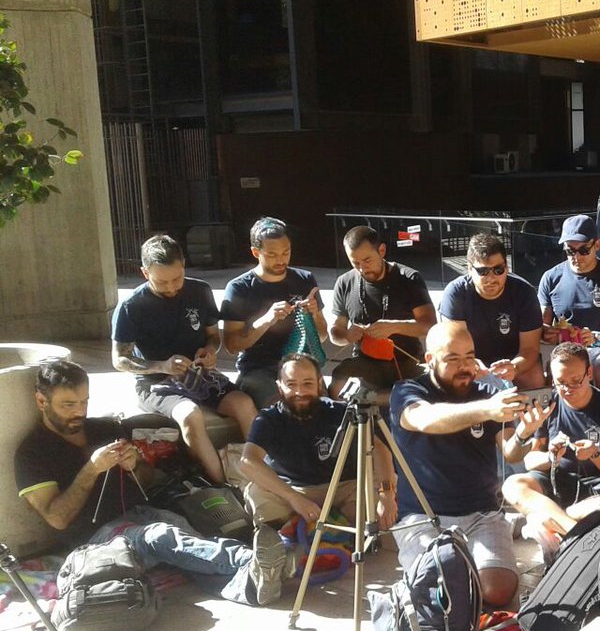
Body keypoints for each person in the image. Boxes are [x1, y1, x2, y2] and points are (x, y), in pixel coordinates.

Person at [14, 360, 289, 607]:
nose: (79, 412)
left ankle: (250, 587)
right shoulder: (32, 453)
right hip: (94, 540)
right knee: (160, 537)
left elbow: (145, 478)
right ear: (41, 401)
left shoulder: (104, 428)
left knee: (190, 543)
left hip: (140, 513)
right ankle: (251, 560)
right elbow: (58, 518)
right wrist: (91, 470)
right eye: (68, 405)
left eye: (84, 402)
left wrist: (135, 464)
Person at [390, 322, 552, 607]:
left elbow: (511, 453)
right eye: (453, 358)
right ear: (430, 359)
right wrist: (486, 410)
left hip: (481, 513)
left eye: (469, 356)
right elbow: (424, 419)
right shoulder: (407, 390)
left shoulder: (486, 394)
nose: (464, 366)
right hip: (424, 515)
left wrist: (524, 433)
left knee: (499, 591)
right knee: (444, 595)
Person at [111, 235, 257, 484]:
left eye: (177, 278)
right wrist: (162, 365)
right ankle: (223, 484)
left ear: (184, 266)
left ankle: (267, 473)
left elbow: (213, 337)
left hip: (200, 375)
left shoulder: (200, 291)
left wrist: (209, 351)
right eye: (161, 282)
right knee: (190, 414)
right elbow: (119, 360)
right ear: (145, 273)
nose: (171, 287)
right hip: (155, 382)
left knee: (244, 404)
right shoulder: (131, 306)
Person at [501, 343, 600, 553]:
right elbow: (530, 461)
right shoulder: (549, 406)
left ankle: (555, 519)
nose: (568, 389)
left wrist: (595, 453)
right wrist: (550, 457)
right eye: (561, 383)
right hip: (556, 479)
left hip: (596, 487)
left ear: (589, 373)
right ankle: (574, 533)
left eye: (576, 381)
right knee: (512, 485)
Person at [237, 353, 398, 530]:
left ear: (319, 384)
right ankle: (315, 528)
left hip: (344, 486)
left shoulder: (341, 411)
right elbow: (248, 461)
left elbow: (379, 449)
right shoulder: (268, 419)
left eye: (307, 384)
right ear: (280, 387)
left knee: (378, 500)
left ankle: (326, 528)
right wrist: (294, 498)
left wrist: (387, 494)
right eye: (291, 384)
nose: (300, 392)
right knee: (258, 495)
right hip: (294, 488)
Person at [221, 217, 326, 408]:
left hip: (300, 365)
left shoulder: (304, 279)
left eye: (286, 252)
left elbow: (322, 335)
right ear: (256, 252)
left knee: (326, 407)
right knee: (282, 408)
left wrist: (315, 314)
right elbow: (232, 346)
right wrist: (267, 320)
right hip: (257, 368)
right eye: (272, 254)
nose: (281, 260)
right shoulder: (239, 288)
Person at [328, 225, 435, 402]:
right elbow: (335, 333)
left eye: (367, 260)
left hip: (405, 362)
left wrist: (394, 327)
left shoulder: (409, 278)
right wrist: (346, 335)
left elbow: (430, 326)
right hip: (365, 363)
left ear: (382, 250)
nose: (362, 269)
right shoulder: (345, 282)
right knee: (340, 376)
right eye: (355, 263)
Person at [538, 214, 600, 390]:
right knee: (542, 373)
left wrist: (596, 338)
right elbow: (541, 325)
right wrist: (547, 332)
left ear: (597, 245)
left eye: (583, 250)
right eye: (570, 251)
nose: (577, 257)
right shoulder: (551, 277)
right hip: (563, 349)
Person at [439, 233, 545, 390]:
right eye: (482, 271)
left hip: (515, 357)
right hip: (471, 359)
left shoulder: (524, 292)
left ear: (506, 267)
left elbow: (530, 349)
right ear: (470, 269)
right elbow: (455, 345)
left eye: (498, 270)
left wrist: (514, 367)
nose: (491, 278)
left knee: (534, 378)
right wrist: (471, 364)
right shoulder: (456, 293)